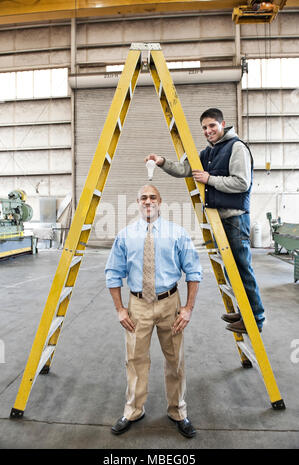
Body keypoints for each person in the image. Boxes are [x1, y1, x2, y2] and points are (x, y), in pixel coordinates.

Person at [145, 108, 265, 334]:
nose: (208, 131)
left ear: (223, 124)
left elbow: (242, 183)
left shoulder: (236, 148)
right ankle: (244, 310)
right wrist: (161, 161)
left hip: (235, 219)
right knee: (232, 271)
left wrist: (210, 179)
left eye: (212, 126)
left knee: (242, 269)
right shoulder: (208, 153)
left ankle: (256, 318)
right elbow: (183, 169)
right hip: (220, 221)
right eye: (204, 128)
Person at [105, 184, 202, 438]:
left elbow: (193, 272)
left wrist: (188, 309)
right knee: (135, 361)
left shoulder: (177, 234)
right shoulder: (125, 236)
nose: (148, 202)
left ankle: (178, 411)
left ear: (161, 202)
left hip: (170, 303)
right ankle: (134, 410)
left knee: (176, 361)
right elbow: (113, 273)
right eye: (143, 198)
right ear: (137, 203)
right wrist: (120, 310)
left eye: (153, 197)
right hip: (137, 306)